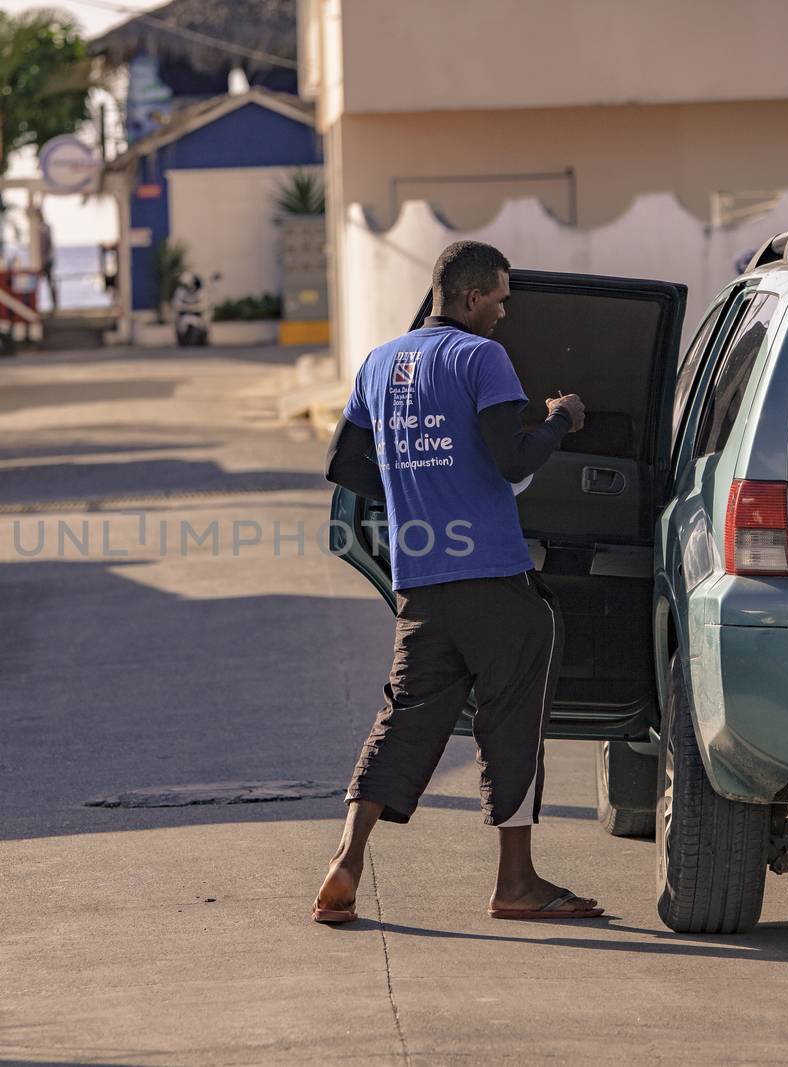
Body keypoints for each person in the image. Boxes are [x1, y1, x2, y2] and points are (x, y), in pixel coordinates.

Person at [314, 240, 597, 924]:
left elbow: (345, 465)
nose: (504, 313)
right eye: (500, 298)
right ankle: (516, 882)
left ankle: (346, 860)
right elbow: (511, 459)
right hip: (495, 578)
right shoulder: (481, 358)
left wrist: (418, 498)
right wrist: (561, 417)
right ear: (471, 297)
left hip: (422, 582)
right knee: (512, 724)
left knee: (403, 717)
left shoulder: (378, 363)